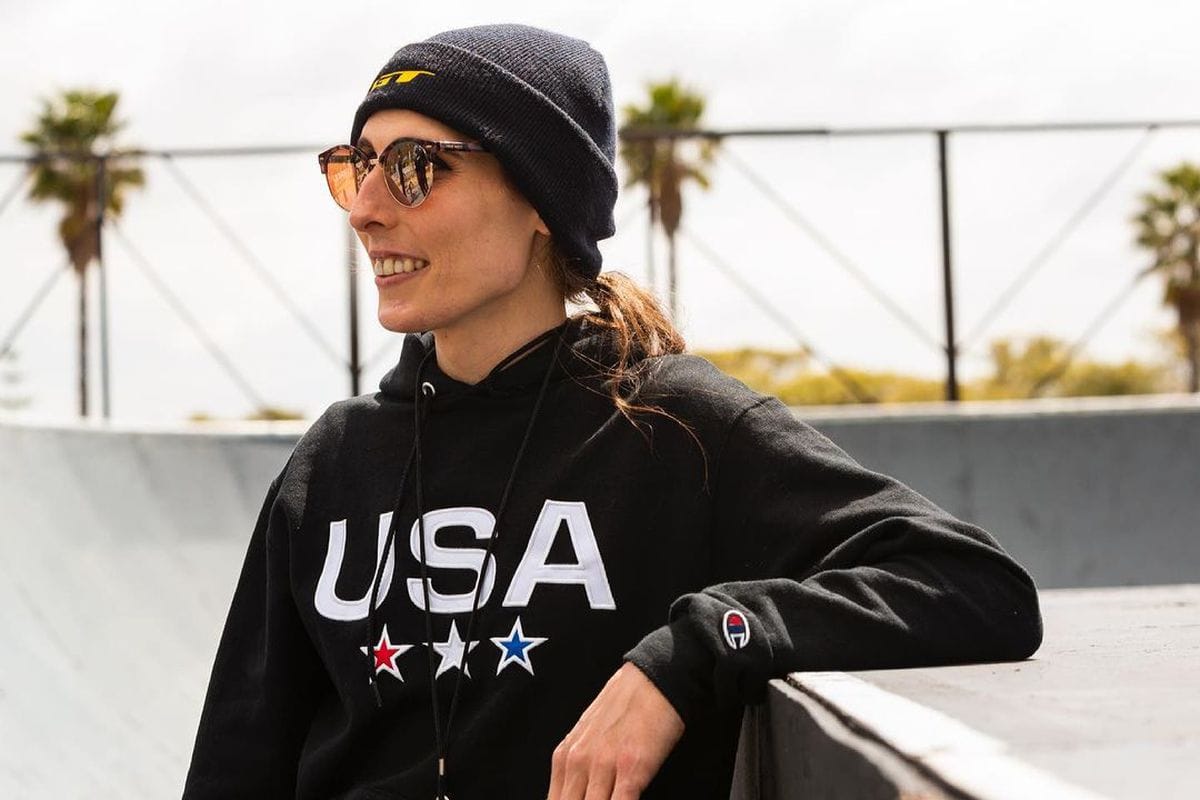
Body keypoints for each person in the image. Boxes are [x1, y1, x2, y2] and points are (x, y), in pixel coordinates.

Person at [183, 23, 1042, 800]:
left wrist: (695, 652)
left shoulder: (673, 427)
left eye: (415, 169)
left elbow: (974, 588)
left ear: (540, 204)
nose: (368, 208)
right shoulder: (333, 461)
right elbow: (236, 763)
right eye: (356, 166)